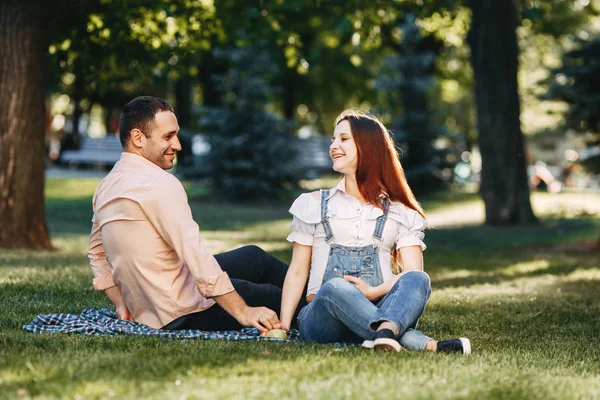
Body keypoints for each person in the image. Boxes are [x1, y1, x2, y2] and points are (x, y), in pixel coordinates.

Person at [88, 96, 305, 332]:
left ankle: (320, 289)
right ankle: (333, 304)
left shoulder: (106, 186)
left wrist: (122, 304)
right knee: (278, 297)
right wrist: (243, 311)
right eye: (168, 136)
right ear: (138, 138)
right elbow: (195, 255)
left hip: (152, 306)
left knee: (255, 257)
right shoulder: (159, 183)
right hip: (184, 310)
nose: (178, 145)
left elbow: (96, 254)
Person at [273, 109, 471, 353]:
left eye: (344, 139)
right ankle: (417, 342)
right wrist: (283, 323)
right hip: (323, 319)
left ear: (368, 147)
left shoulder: (400, 212)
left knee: (420, 279)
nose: (334, 145)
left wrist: (373, 291)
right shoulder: (312, 204)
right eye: (333, 139)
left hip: (383, 306)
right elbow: (297, 271)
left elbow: (411, 275)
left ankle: (384, 333)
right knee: (336, 286)